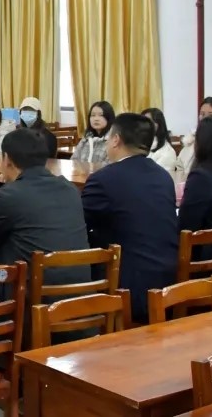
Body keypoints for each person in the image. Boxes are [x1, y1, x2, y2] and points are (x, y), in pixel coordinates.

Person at [0, 129, 89, 309]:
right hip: (78, 298)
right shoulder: (70, 188)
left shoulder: (10, 195)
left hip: (32, 304)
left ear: (7, 159)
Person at [81, 112, 178, 322]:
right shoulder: (163, 177)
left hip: (129, 286)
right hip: (169, 282)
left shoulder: (103, 180)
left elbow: (79, 226)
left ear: (116, 140)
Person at [176, 96, 212, 180]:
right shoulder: (190, 143)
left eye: (211, 115)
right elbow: (179, 169)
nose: (205, 118)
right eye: (202, 114)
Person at [72, 101, 115, 165]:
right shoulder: (86, 139)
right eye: (93, 115)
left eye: (101, 115)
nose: (96, 119)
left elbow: (110, 166)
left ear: (109, 117)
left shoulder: (113, 140)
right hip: (80, 171)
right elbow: (73, 161)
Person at [141, 108, 178, 175]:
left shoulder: (167, 152)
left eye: (148, 121)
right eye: (142, 122)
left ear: (159, 124)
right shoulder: (138, 145)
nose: (143, 126)